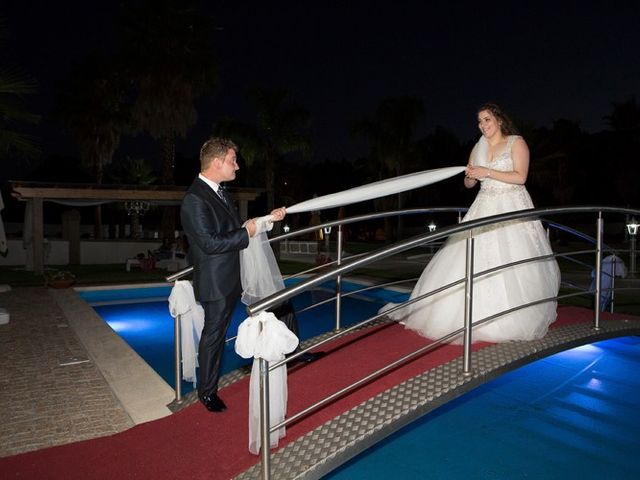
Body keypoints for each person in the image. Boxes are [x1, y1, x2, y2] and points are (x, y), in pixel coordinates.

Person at [383, 103, 560, 343]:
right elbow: (470, 185)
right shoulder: (478, 146)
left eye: (487, 119)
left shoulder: (516, 142)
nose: (483, 125)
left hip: (511, 206)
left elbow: (520, 177)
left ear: (499, 119)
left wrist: (486, 172)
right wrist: (469, 177)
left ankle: (510, 316)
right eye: (479, 121)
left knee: (512, 260)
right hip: (483, 206)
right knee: (468, 257)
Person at [180, 137, 287, 413]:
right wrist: (246, 233)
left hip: (233, 277)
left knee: (279, 304)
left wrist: (266, 221)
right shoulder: (194, 199)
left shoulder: (221, 193)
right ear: (217, 163)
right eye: (232, 161)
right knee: (214, 336)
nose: (237, 166)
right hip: (216, 284)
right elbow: (210, 243)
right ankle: (207, 393)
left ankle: (292, 351)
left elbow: (235, 229)